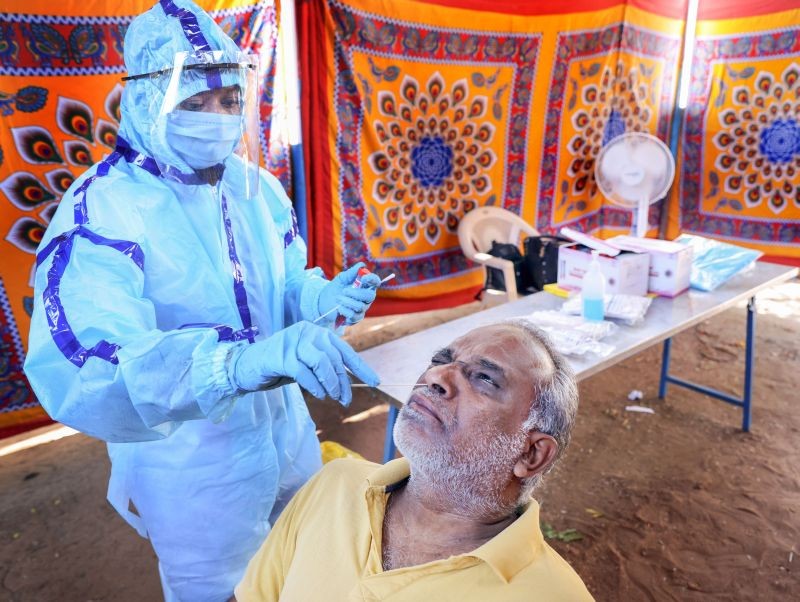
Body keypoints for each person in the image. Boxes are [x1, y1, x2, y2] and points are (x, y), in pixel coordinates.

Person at [23, 1, 382, 600]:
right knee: (221, 589)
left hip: (286, 432)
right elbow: (94, 364)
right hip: (192, 464)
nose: (217, 117)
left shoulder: (254, 187)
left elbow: (284, 283)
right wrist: (234, 365)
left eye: (228, 100)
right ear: (144, 99)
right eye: (194, 102)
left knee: (306, 566)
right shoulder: (103, 211)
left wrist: (324, 295)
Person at [235, 321, 594, 601]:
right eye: (440, 360)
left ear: (531, 455)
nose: (435, 377)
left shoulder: (553, 595)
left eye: (484, 379)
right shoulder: (335, 483)